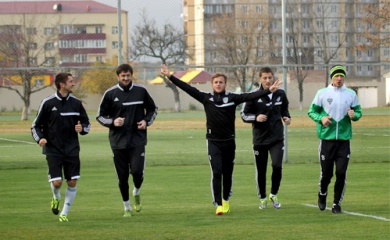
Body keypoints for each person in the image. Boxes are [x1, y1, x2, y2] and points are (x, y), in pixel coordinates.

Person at [160, 64, 282, 215]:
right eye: (216, 82)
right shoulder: (206, 98)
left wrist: (267, 91)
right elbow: (187, 88)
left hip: (229, 142)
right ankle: (218, 204)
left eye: (221, 82)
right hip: (213, 142)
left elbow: (250, 96)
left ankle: (225, 199)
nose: (218, 84)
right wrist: (170, 76)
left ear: (225, 84)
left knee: (227, 173)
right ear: (212, 84)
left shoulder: (232, 98)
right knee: (217, 172)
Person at [96, 63, 158, 217]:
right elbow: (100, 116)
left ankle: (136, 192)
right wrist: (113, 122)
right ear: (118, 76)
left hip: (137, 140)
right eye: (122, 76)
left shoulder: (141, 91)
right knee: (122, 177)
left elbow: (153, 109)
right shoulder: (110, 94)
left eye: (128, 75)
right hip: (118, 142)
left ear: (131, 75)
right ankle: (127, 207)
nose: (125, 78)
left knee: (137, 172)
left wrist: (146, 121)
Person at [31, 73, 91, 222]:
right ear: (62, 85)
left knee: (72, 182)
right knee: (57, 182)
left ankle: (64, 213)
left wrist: (81, 129)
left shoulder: (77, 103)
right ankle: (56, 197)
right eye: (71, 81)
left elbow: (86, 124)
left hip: (72, 148)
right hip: (53, 149)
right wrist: (40, 138)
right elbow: (35, 126)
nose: (74, 84)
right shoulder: (48, 103)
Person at [308, 65, 362, 214]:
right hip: (326, 140)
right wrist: (321, 119)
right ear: (332, 77)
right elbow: (311, 111)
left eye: (341, 76)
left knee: (341, 172)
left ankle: (336, 203)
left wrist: (354, 115)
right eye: (336, 76)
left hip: (344, 141)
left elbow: (358, 111)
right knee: (327, 174)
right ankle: (322, 194)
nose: (339, 78)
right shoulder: (322, 93)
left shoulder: (351, 94)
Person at [241, 67, 291, 210]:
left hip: (276, 138)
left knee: (277, 165)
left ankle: (273, 194)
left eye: (270, 77)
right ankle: (262, 198)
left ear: (273, 78)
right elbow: (244, 115)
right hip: (260, 139)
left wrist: (287, 118)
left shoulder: (281, 94)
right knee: (261, 170)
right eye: (265, 78)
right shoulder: (254, 95)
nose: (268, 80)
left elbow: (285, 110)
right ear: (260, 79)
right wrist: (255, 118)